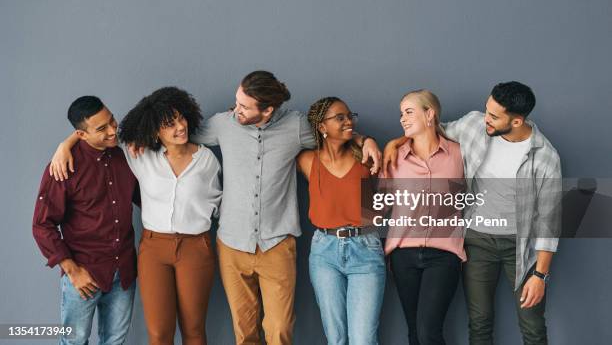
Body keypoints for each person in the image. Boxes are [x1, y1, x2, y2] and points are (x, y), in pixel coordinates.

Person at [51, 71, 382, 345]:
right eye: (236, 101)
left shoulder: (293, 127)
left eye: (243, 106)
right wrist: (67, 143)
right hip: (228, 245)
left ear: (266, 110)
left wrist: (363, 140)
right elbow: (135, 133)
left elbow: (334, 130)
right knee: (240, 331)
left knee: (278, 330)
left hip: (276, 244)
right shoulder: (220, 126)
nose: (234, 109)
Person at [383, 82, 562, 345]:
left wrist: (540, 275)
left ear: (516, 121)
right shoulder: (474, 125)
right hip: (477, 241)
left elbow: (549, 222)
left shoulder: (545, 157)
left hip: (520, 246)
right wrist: (393, 143)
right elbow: (430, 129)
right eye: (486, 110)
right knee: (479, 323)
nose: (485, 119)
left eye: (493, 116)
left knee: (532, 324)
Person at [50, 87, 222, 345]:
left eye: (180, 119)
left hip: (196, 246)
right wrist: (66, 144)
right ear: (154, 130)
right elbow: (96, 136)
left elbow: (217, 201)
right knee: (158, 334)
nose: (179, 127)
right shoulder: (140, 156)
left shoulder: (207, 160)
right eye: (169, 124)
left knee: (194, 330)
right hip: (154, 249)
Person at [33, 96, 139, 345]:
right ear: (81, 134)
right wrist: (73, 271)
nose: (113, 130)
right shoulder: (63, 167)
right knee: (74, 341)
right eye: (102, 129)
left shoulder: (123, 156)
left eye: (112, 120)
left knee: (115, 341)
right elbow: (42, 225)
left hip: (123, 271)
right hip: (84, 274)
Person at [296, 97, 386, 345]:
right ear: (322, 127)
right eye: (340, 117)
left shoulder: (366, 158)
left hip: (365, 249)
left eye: (349, 116)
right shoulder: (306, 160)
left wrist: (365, 140)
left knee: (363, 340)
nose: (349, 121)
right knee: (335, 339)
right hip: (324, 250)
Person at [382, 90, 466, 345]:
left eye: (409, 112)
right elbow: (378, 205)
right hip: (403, 254)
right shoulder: (394, 156)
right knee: (415, 333)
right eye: (401, 114)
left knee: (430, 332)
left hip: (444, 255)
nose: (402, 119)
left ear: (430, 114)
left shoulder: (460, 153)